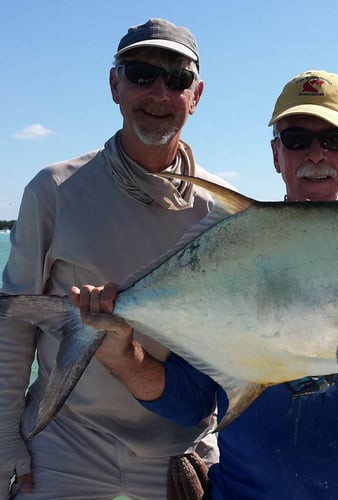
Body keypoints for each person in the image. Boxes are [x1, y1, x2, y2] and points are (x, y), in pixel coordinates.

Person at [71, 70, 338, 499]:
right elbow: (190, 401)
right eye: (296, 138)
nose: (315, 153)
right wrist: (122, 355)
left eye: (334, 139)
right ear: (277, 155)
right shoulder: (239, 250)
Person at [0, 18, 234, 500]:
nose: (158, 93)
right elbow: (12, 328)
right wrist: (5, 441)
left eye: (177, 79)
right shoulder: (55, 190)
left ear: (197, 95)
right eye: (142, 73)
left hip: (179, 450)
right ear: (114, 84)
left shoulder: (223, 212)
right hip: (66, 441)